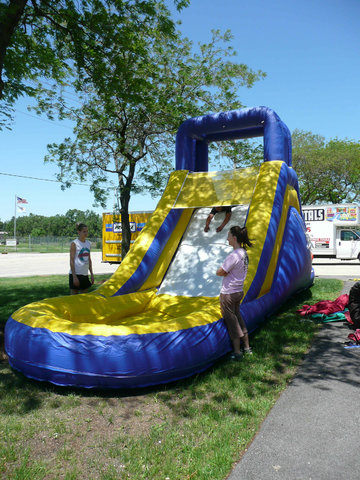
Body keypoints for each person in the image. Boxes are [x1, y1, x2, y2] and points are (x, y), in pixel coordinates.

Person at [216, 225, 253, 360]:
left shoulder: (233, 255)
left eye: (229, 236)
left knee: (232, 323)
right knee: (239, 318)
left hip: (229, 293)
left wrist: (218, 270)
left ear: (234, 238)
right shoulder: (243, 253)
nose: (227, 239)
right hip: (238, 291)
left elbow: (221, 272)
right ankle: (247, 348)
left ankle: (237, 352)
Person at [69, 222, 94, 295]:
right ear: (79, 232)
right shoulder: (74, 243)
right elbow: (71, 260)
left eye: (87, 231)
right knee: (74, 298)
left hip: (85, 274)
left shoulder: (88, 243)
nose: (86, 233)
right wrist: (74, 277)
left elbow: (89, 259)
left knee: (84, 297)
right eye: (84, 231)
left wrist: (91, 274)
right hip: (76, 274)